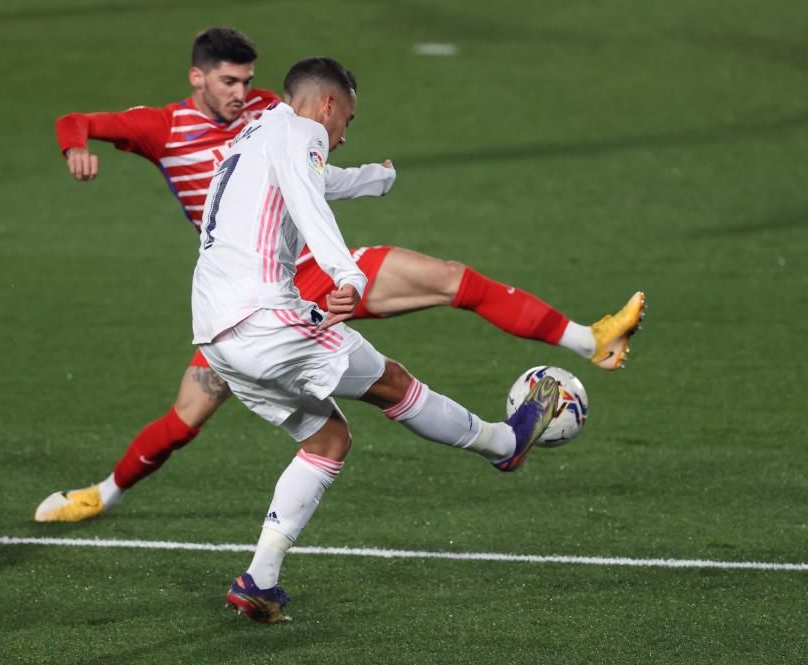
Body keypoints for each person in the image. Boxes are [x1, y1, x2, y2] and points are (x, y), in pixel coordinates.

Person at [34, 27, 645, 523]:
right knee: (187, 416)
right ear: (197, 77)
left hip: (302, 276)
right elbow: (73, 120)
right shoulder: (162, 129)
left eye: (248, 79)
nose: (242, 92)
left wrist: (370, 179)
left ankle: (589, 340)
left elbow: (308, 176)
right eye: (228, 81)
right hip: (260, 297)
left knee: (454, 279)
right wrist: (74, 148)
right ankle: (103, 493)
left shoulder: (272, 114)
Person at [192, 56, 565, 622]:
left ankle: (259, 579)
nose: (342, 137)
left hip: (216, 333)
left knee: (327, 441)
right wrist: (347, 273)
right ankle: (502, 446)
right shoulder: (303, 129)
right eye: (347, 122)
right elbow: (307, 195)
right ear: (328, 105)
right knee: (391, 383)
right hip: (264, 317)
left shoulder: (258, 131)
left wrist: (374, 178)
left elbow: (311, 178)